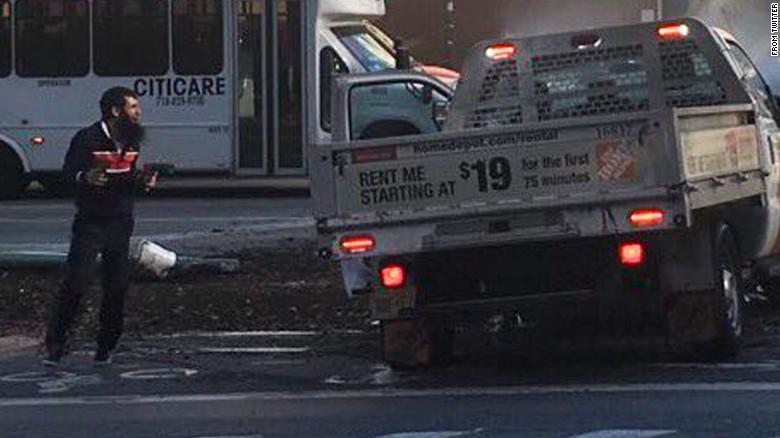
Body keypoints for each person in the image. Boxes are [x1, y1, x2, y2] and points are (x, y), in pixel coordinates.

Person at [43, 87, 157, 367]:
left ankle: (107, 344)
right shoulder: (87, 138)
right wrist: (85, 177)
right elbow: (68, 174)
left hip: (120, 221)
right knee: (77, 282)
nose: (138, 112)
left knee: (116, 286)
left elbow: (125, 178)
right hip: (91, 222)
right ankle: (57, 340)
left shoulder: (132, 140)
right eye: (132, 107)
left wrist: (143, 183)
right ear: (115, 111)